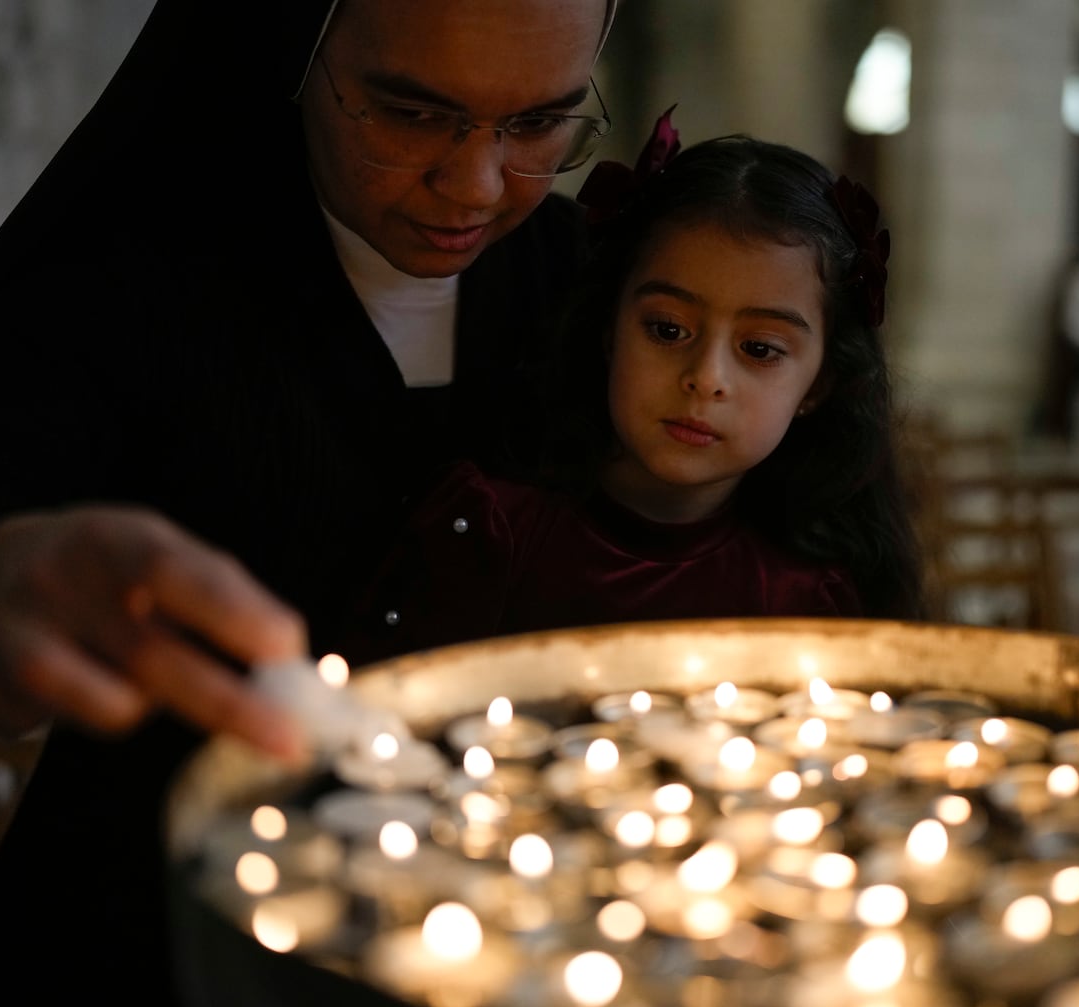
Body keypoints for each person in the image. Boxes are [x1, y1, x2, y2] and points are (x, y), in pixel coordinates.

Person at [0, 0, 617, 1007]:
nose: (476, 185)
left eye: (538, 125)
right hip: (137, 993)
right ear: (295, 47)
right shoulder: (132, 275)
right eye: (408, 113)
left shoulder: (577, 284)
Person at [341, 114, 920, 664]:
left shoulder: (814, 599)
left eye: (760, 349)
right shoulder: (489, 533)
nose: (707, 378)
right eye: (667, 330)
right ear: (608, 331)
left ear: (817, 386)